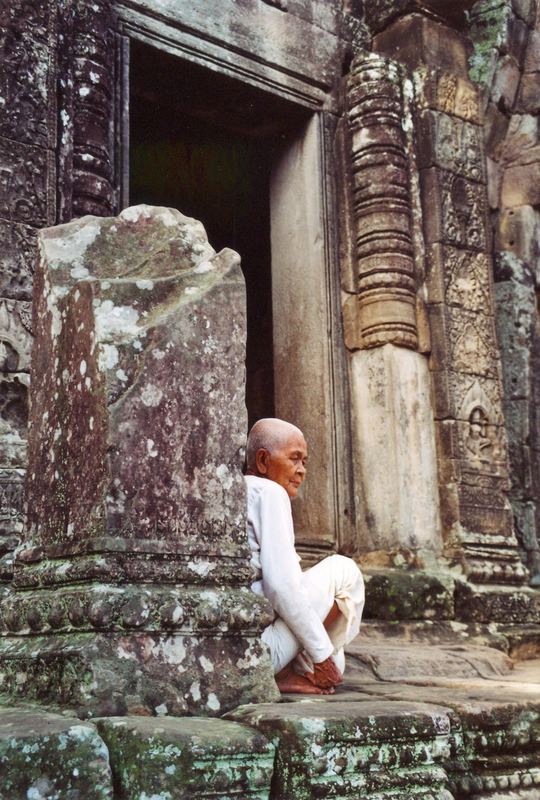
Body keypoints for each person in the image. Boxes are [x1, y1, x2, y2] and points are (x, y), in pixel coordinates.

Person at [244, 418, 365, 695]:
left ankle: (293, 668)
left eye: (305, 462)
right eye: (295, 459)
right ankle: (298, 667)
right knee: (343, 569)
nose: (301, 471)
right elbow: (282, 586)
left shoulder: (233, 489)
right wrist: (322, 656)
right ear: (263, 461)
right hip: (262, 653)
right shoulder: (269, 492)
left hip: (242, 645)